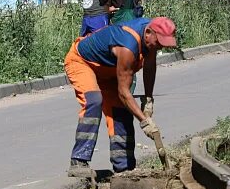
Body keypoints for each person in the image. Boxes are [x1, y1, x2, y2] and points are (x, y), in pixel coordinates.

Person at [65, 17, 176, 178]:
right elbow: (124, 93)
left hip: (108, 69)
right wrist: (144, 122)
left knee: (121, 113)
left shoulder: (151, 39)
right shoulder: (128, 47)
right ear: (148, 33)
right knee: (94, 100)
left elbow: (150, 66)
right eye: (159, 42)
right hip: (82, 62)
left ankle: (124, 169)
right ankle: (78, 161)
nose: (160, 47)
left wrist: (148, 99)